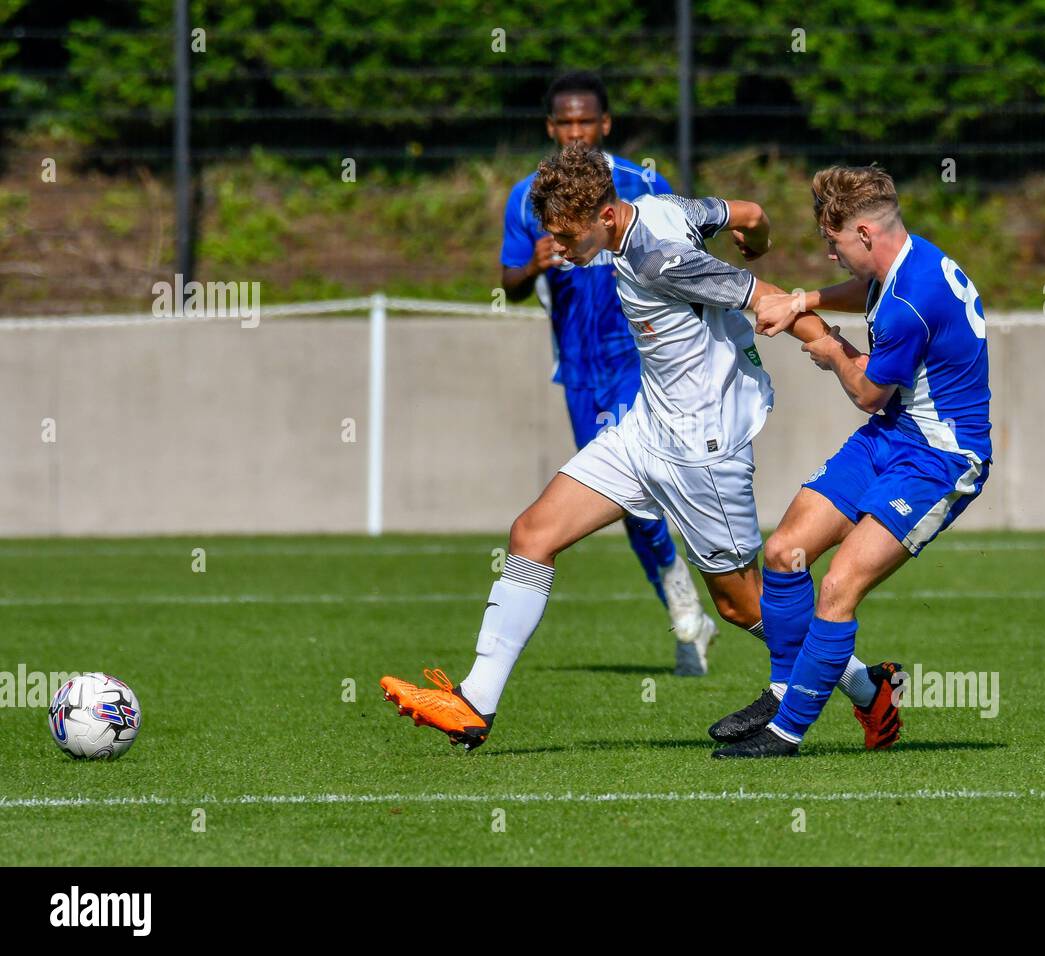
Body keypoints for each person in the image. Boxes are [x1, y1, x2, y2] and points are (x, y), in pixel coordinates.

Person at [379, 144, 848, 751]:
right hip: (646, 427)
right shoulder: (658, 207)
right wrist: (754, 237)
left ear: (603, 217)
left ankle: (864, 685)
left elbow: (767, 297)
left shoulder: (660, 258)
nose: (562, 250)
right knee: (532, 535)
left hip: (702, 448)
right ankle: (474, 702)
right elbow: (749, 212)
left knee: (740, 606)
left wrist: (839, 355)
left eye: (567, 237)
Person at [709, 163, 993, 758]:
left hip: (942, 459)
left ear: (863, 234)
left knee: (838, 587)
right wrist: (803, 300)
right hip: (893, 435)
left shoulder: (910, 302)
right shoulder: (908, 262)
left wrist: (832, 347)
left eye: (834, 243)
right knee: (785, 552)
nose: (831, 254)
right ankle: (811, 688)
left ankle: (785, 734)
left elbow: (867, 390)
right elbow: (868, 292)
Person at [501, 70, 714, 675]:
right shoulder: (527, 197)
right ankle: (686, 610)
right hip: (578, 368)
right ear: (550, 127)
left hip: (640, 361)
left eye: (585, 122)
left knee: (645, 490)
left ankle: (703, 605)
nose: (575, 132)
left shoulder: (644, 183)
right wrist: (532, 267)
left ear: (605, 124)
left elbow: (687, 259)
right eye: (564, 123)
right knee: (623, 498)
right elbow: (509, 283)